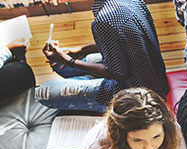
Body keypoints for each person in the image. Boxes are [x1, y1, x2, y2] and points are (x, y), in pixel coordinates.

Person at [36, 0, 169, 113]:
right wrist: (82, 50)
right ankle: (87, 81)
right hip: (155, 79)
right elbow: (122, 39)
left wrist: (69, 60)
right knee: (59, 65)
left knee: (44, 91)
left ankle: (89, 82)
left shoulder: (104, 20)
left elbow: (118, 74)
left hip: (135, 94)